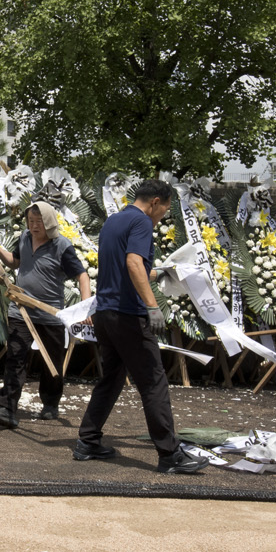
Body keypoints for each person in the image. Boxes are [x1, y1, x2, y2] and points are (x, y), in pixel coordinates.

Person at [74, 179, 206, 474]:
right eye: (164, 210)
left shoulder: (113, 222)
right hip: (129, 315)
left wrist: (158, 273)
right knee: (153, 381)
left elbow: (125, 266)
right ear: (155, 202)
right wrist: (152, 306)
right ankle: (170, 454)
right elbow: (134, 263)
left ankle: (88, 441)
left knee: (111, 379)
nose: (162, 217)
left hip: (106, 313)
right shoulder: (142, 222)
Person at [0, 201, 91, 426]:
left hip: (49, 313)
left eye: (39, 222)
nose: (34, 226)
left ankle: (51, 402)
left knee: (51, 362)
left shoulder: (61, 246)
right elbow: (16, 262)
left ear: (49, 222)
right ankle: (6, 408)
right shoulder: (24, 237)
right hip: (21, 309)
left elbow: (82, 276)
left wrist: (86, 307)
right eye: (31, 221)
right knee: (15, 356)